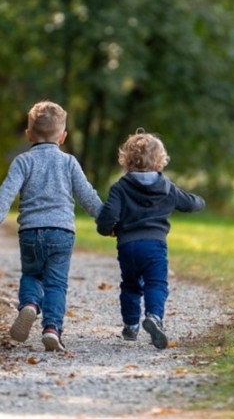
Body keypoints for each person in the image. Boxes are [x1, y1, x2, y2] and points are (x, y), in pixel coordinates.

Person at [0, 100, 103, 351]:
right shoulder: (69, 162)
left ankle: (30, 305)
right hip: (61, 233)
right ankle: (52, 329)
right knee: (56, 283)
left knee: (32, 274)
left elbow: (7, 192)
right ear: (63, 136)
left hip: (30, 232)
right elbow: (86, 195)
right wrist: (106, 219)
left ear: (28, 134)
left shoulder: (23, 162)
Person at [95, 129, 205, 349]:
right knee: (156, 283)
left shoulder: (120, 187)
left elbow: (108, 217)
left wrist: (108, 229)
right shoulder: (167, 188)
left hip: (127, 246)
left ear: (126, 160)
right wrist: (201, 201)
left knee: (130, 285)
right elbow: (190, 203)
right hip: (155, 246)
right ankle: (154, 317)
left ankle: (131, 326)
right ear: (160, 161)